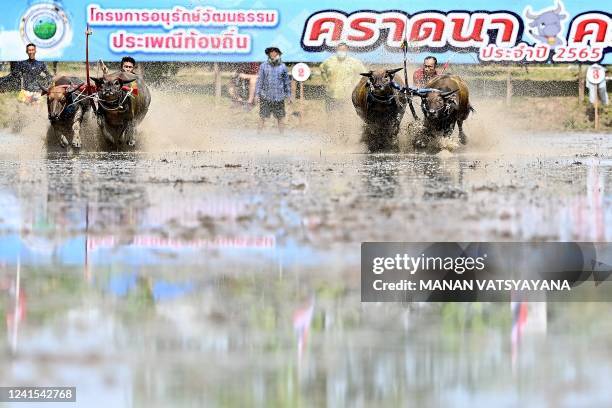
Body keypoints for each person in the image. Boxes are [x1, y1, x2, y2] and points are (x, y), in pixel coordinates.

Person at [319, 42, 366, 112]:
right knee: (330, 115)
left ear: (347, 50)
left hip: (347, 95)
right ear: (336, 50)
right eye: (339, 50)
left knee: (344, 115)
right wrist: (326, 82)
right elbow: (322, 69)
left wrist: (355, 84)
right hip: (331, 94)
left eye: (343, 50)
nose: (341, 52)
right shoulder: (329, 61)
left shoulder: (354, 62)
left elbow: (363, 74)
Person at [255, 47, 292, 133]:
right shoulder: (263, 66)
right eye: (271, 52)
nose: (273, 53)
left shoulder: (283, 67)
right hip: (265, 96)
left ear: (278, 54)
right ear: (268, 54)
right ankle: (258, 135)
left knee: (280, 117)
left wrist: (289, 96)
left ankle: (282, 136)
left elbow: (286, 82)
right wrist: (257, 94)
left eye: (275, 52)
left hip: (279, 97)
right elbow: (260, 81)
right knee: (262, 117)